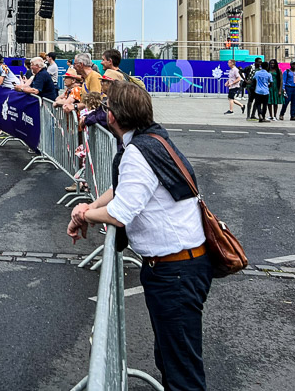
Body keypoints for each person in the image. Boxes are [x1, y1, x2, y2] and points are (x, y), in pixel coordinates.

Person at [68, 81, 211, 391]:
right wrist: (91, 206)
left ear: (112, 117)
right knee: (172, 359)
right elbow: (123, 191)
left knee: (182, 372)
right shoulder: (154, 139)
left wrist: (83, 214)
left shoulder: (138, 153)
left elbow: (121, 212)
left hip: (175, 271)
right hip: (182, 266)